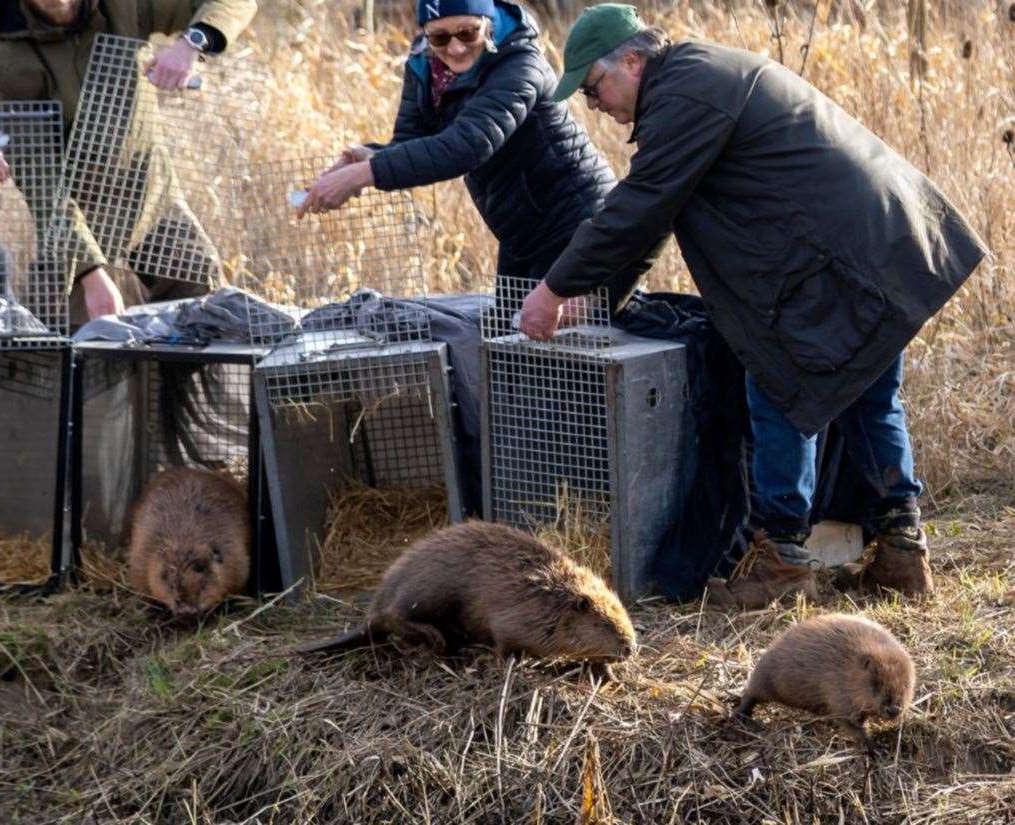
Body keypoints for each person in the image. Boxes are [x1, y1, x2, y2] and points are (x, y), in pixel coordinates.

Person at [519, 4, 987, 608]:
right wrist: (605, 300)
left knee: (780, 383)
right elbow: (658, 216)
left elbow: (635, 208)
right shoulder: (697, 78)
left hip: (841, 257)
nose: (595, 105)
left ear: (630, 62)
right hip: (879, 244)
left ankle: (783, 562)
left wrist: (553, 289)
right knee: (871, 395)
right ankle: (903, 552)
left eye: (593, 87)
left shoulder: (685, 94)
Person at [296, 0, 620, 303]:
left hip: (578, 225)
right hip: (521, 230)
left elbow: (469, 144)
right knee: (508, 344)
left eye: (468, 32)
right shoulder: (425, 65)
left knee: (558, 350)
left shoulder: (521, 64)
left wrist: (363, 175)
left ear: (487, 23)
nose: (455, 47)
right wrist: (368, 156)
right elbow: (413, 142)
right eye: (439, 36)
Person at [0, 0, 258, 324]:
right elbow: (41, 184)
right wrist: (90, 271)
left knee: (204, 297)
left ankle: (179, 375)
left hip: (152, 196)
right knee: (79, 332)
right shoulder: (3, 62)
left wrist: (190, 43)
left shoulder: (125, 7)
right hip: (80, 216)